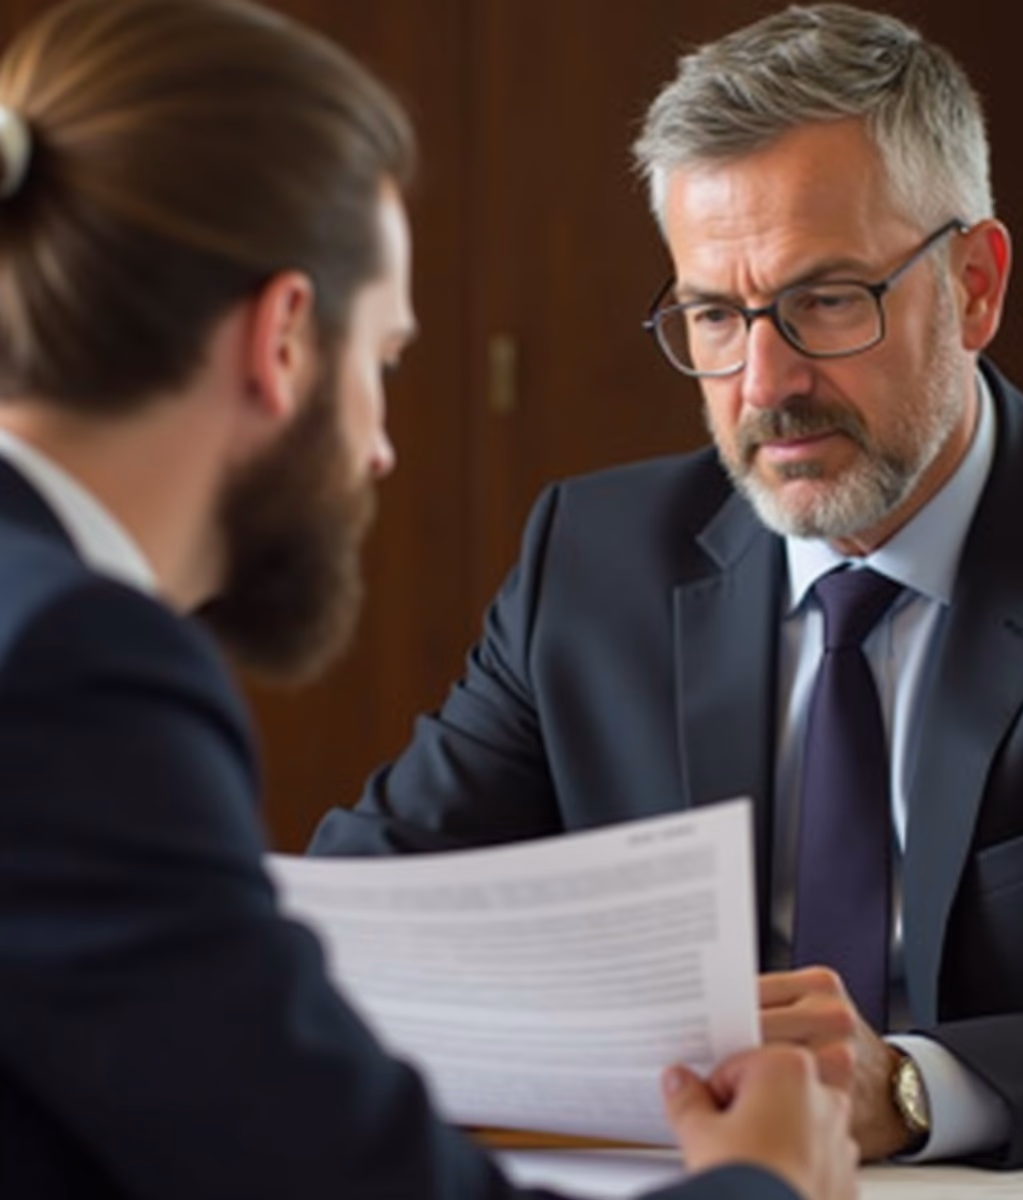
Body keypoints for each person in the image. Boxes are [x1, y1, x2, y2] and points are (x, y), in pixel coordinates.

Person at [311, 0, 1023, 1173]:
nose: (764, 382)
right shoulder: (591, 559)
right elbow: (372, 913)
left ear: (975, 286)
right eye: (715, 315)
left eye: (827, 299)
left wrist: (912, 1089)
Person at [0, 2, 862, 1198]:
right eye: (387, 362)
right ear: (285, 340)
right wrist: (768, 1180)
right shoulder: (67, 668)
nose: (383, 450)